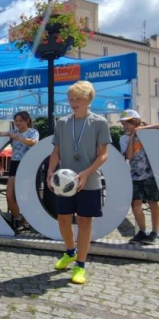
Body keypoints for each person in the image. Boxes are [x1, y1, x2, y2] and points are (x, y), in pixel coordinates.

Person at [47, 81, 111, 285]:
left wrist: (85, 173)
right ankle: (70, 252)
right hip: (65, 183)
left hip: (89, 181)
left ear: (88, 100)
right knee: (63, 220)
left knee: (84, 222)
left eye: (78, 99)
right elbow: (56, 151)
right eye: (71, 99)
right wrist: (50, 171)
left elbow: (103, 155)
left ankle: (80, 266)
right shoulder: (62, 123)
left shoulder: (99, 122)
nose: (73, 103)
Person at [119, 109, 159, 245]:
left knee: (153, 203)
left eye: (127, 123)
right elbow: (129, 156)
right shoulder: (124, 138)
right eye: (123, 124)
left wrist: (145, 128)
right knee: (136, 205)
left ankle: (156, 232)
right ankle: (142, 231)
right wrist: (132, 138)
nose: (125, 126)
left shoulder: (150, 133)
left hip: (152, 175)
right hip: (135, 176)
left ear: (135, 121)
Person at [0, 111, 40, 231]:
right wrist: (7, 133)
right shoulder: (13, 132)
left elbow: (33, 142)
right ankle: (18, 219)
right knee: (9, 195)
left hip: (28, 164)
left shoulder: (33, 132)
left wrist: (19, 138)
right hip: (14, 164)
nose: (18, 123)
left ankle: (27, 220)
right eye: (16, 121)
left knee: (24, 196)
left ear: (27, 121)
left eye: (21, 120)